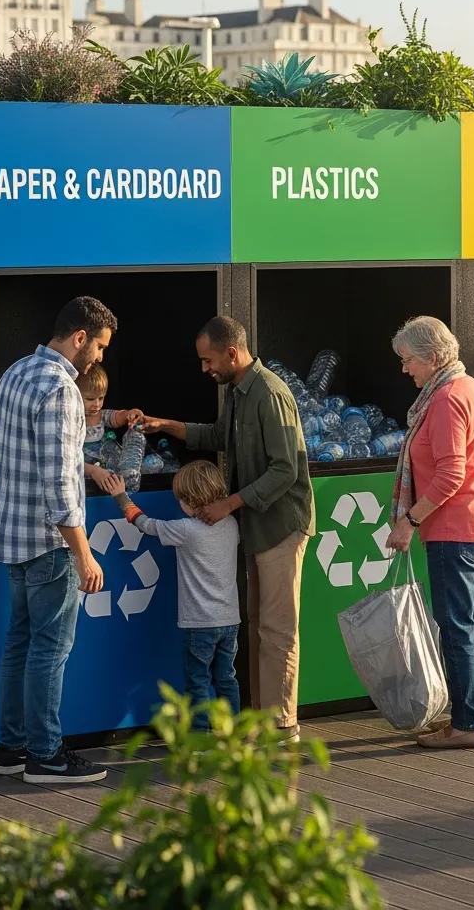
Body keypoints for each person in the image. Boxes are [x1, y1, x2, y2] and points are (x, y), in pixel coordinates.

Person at [142, 317, 315, 741]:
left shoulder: (270, 394)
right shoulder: (238, 393)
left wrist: (229, 503)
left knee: (276, 629)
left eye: (208, 360)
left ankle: (282, 725)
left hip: (280, 526)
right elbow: (218, 435)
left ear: (232, 353)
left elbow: (285, 470)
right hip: (256, 526)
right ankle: (259, 721)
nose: (205, 369)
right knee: (258, 626)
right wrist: (167, 426)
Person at [0, 296, 114, 783]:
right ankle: (46, 755)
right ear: (80, 338)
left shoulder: (15, 372)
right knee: (50, 650)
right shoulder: (61, 389)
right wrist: (83, 554)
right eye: (100, 346)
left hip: (10, 539)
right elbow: (61, 483)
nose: (100, 357)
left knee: (19, 645)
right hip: (49, 544)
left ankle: (11, 748)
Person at [385, 316, 474, 749]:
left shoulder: (445, 399)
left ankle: (467, 724)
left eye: (409, 360)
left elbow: (451, 473)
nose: (405, 369)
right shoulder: (470, 388)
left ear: (433, 358)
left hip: (456, 530)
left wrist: (409, 519)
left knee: (456, 629)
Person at [111, 461, 241, 726]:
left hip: (199, 624)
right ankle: (235, 732)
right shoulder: (231, 525)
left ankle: (200, 738)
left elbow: (145, 524)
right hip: (230, 620)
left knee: (198, 682)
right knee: (226, 678)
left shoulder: (185, 529)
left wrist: (121, 496)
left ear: (189, 502)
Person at [75, 363, 143, 495]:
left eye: (101, 398)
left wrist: (129, 414)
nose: (97, 404)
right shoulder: (72, 419)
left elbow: (117, 417)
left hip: (102, 464)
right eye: (90, 399)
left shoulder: (101, 415)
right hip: (83, 469)